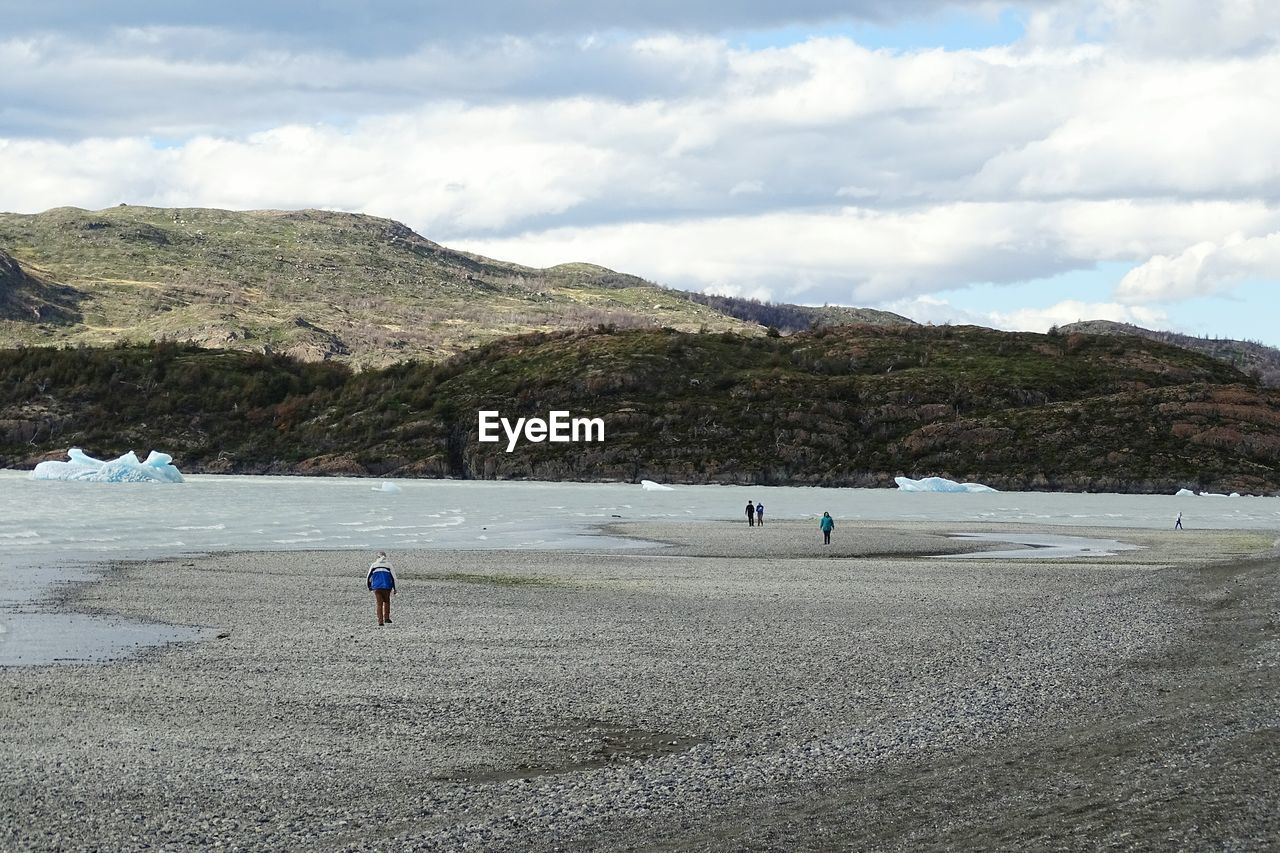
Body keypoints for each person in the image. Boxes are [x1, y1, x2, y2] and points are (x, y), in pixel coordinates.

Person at [367, 551, 397, 625]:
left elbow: (368, 577)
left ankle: (380, 621)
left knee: (379, 604)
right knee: (387, 601)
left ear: (377, 557)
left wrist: (369, 586)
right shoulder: (389, 565)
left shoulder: (374, 565)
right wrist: (395, 588)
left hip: (377, 587)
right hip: (387, 586)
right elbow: (394, 578)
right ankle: (386, 618)